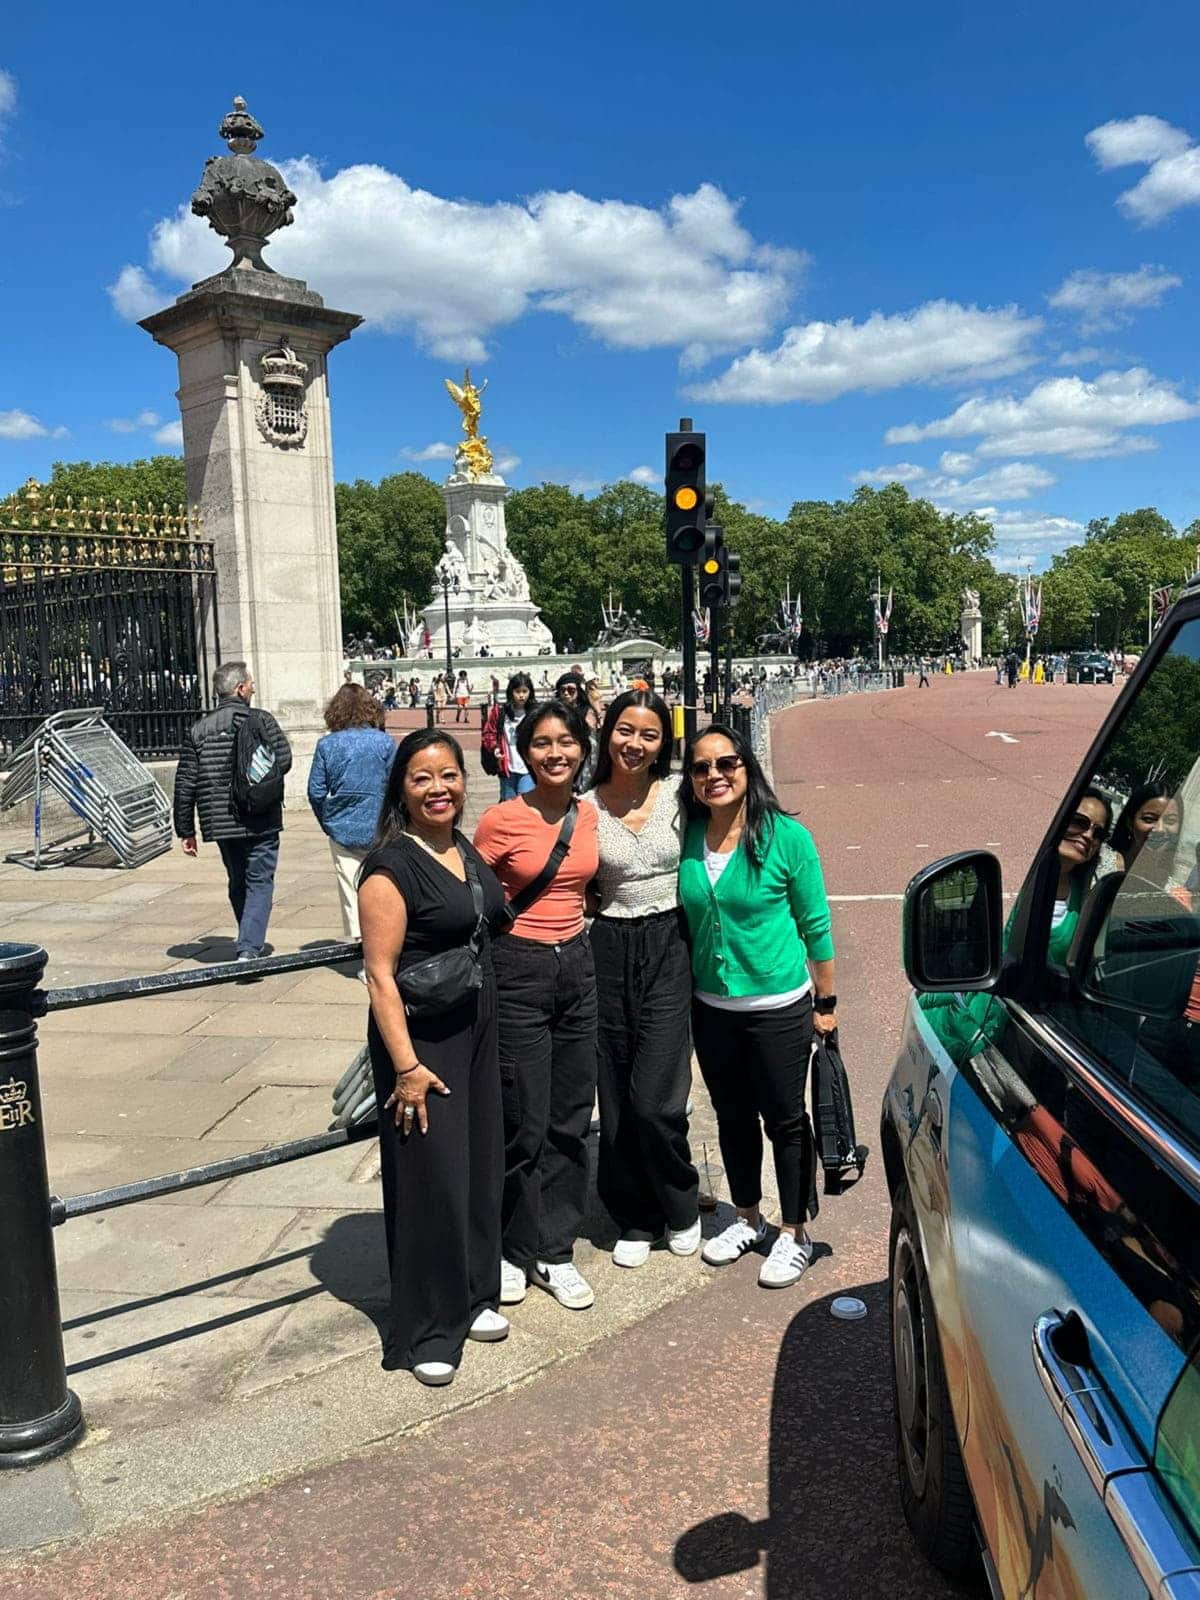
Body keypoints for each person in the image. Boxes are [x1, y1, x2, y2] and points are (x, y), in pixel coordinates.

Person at [358, 729, 508, 1386]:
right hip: (422, 1040)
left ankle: (473, 1294)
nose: (439, 788)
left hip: (474, 1023)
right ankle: (427, 1328)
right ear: (401, 789)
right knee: (431, 1180)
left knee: (478, 1166)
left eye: (448, 775)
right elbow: (379, 976)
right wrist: (406, 1067)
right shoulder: (390, 867)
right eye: (422, 778)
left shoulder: (458, 847)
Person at [678, 722, 837, 1289]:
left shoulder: (787, 837)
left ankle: (795, 1231)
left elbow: (816, 925)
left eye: (727, 763)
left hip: (777, 1006)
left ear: (747, 767)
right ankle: (748, 1216)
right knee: (733, 1117)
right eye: (701, 767)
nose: (714, 775)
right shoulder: (689, 836)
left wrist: (827, 1002)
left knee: (786, 1120)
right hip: (711, 1006)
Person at [474, 700, 600, 1311]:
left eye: (566, 742)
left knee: (571, 1118)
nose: (555, 753)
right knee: (522, 1119)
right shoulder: (501, 819)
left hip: (577, 964)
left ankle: (555, 1249)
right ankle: (512, 1246)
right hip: (517, 967)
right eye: (542, 743)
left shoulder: (588, 814)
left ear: (582, 750)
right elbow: (472, 895)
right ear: (524, 753)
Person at [583, 691, 700, 1267]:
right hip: (607, 942)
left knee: (655, 1097)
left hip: (671, 940)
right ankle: (634, 1214)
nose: (635, 744)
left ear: (663, 743)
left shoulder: (681, 794)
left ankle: (681, 1203)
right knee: (615, 1091)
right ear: (608, 734)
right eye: (625, 731)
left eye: (649, 734)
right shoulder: (584, 806)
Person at [174, 660, 292, 962]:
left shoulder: (199, 729)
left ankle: (248, 939)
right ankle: (249, 947)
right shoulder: (261, 719)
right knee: (260, 880)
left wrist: (185, 829)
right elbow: (284, 760)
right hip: (260, 814)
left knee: (239, 879)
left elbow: (186, 781)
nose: (253, 688)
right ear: (240, 688)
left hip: (220, 819)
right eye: (250, 684)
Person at [307, 684, 396, 946]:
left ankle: (360, 942)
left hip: (342, 825)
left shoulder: (327, 745)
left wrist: (326, 820)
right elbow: (397, 784)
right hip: (380, 823)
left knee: (350, 887)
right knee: (383, 881)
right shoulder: (384, 742)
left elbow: (315, 790)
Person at [481, 672, 537, 801]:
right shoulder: (500, 712)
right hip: (506, 767)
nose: (521, 695)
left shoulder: (535, 712)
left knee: (525, 802)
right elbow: (489, 733)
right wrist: (495, 747)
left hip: (529, 767)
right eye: (518, 691)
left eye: (525, 691)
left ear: (530, 692)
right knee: (508, 802)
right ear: (511, 692)